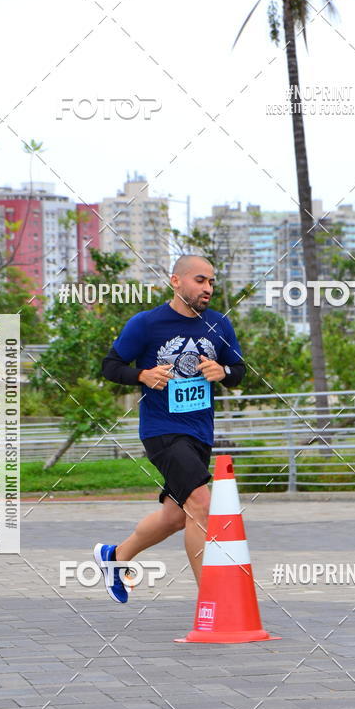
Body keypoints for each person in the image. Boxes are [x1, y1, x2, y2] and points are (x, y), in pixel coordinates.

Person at [94, 254, 246, 603]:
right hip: (161, 430)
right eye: (200, 280)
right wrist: (141, 375)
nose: (208, 288)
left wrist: (223, 372)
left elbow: (239, 371)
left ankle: (114, 557)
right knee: (201, 503)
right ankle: (214, 600)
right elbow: (110, 365)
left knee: (176, 516)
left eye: (211, 281)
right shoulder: (147, 324)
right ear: (175, 281)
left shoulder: (219, 325)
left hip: (199, 433)